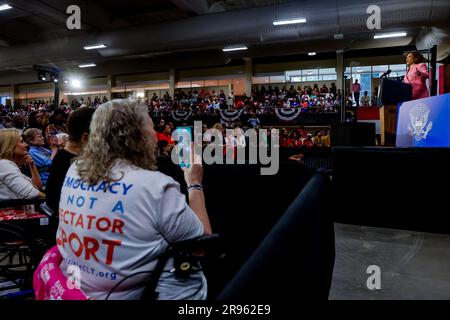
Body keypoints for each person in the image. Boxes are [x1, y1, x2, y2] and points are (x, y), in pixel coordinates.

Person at [56, 99, 211, 300]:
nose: (155, 136)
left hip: (74, 289)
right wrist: (194, 184)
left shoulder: (74, 169)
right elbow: (202, 245)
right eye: (151, 128)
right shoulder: (156, 186)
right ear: (138, 136)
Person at [45, 107, 95, 235]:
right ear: (85, 137)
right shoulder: (68, 162)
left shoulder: (63, 157)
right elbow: (54, 200)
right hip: (73, 229)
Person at [0, 129, 45, 201]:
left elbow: (37, 187)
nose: (26, 145)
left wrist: (32, 165)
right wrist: (53, 201)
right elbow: (31, 193)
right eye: (21, 142)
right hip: (13, 211)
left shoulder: (7, 164)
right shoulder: (3, 164)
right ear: (9, 145)